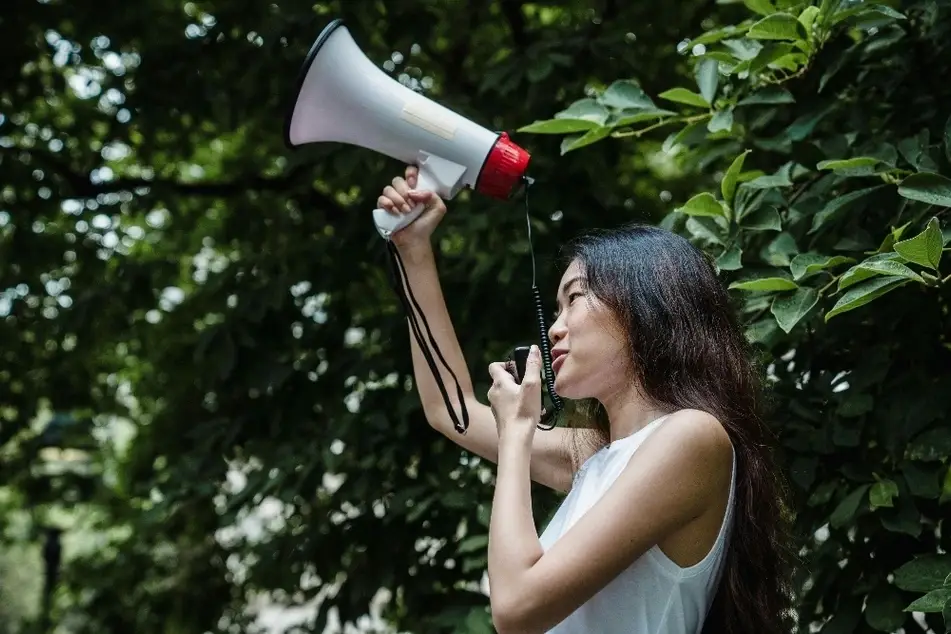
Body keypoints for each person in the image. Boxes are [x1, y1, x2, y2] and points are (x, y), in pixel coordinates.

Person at [376, 166, 796, 634]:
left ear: (645, 306)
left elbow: (516, 609)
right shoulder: (598, 454)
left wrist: (517, 434)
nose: (554, 326)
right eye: (555, 308)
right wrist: (413, 252)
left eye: (573, 299)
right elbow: (449, 412)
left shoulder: (692, 436)